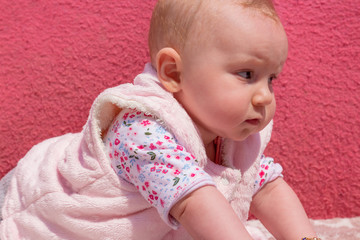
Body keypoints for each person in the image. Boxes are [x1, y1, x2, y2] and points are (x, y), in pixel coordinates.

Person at [0, 0, 321, 239]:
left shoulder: (230, 136)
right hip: (38, 210)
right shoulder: (142, 130)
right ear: (173, 72)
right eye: (247, 74)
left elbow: (263, 187)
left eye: (271, 79)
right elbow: (196, 203)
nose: (264, 95)